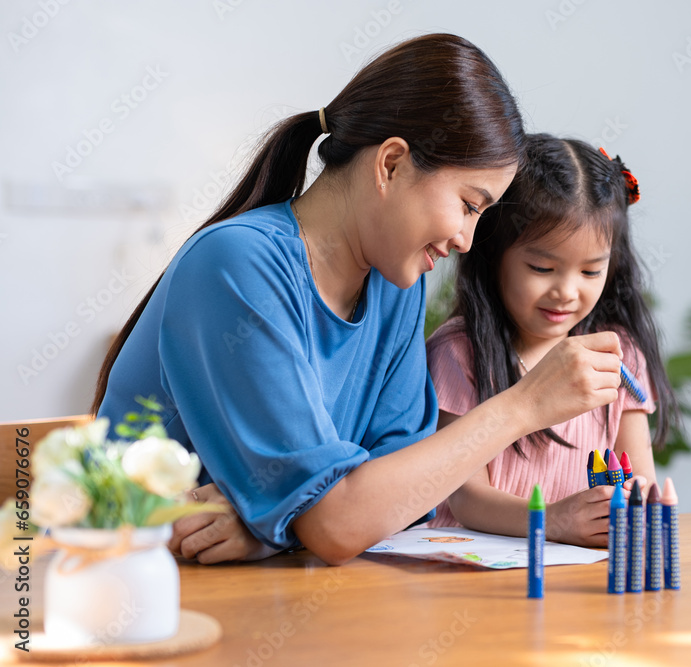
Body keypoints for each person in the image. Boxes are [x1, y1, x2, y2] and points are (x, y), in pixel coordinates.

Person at [93, 35, 626, 566]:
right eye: (468, 205)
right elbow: (340, 520)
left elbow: (403, 494)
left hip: (260, 589)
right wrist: (523, 405)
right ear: (391, 164)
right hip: (126, 584)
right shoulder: (238, 264)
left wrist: (275, 527)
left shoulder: (397, 283)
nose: (467, 239)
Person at [424, 133, 675, 547]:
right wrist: (554, 521)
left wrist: (632, 508)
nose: (567, 291)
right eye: (542, 268)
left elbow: (640, 481)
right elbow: (465, 496)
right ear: (492, 254)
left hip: (575, 575)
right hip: (472, 574)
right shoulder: (459, 353)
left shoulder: (620, 353)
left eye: (591, 271)